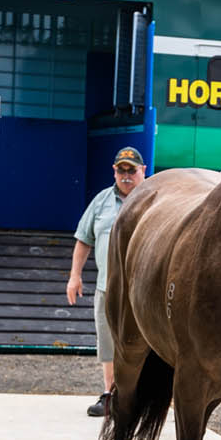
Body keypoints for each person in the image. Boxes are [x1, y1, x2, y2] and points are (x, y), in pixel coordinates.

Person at [68, 147, 147, 416]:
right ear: (114, 171)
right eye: (121, 170)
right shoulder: (101, 201)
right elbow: (84, 239)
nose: (126, 176)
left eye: (131, 170)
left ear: (142, 171)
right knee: (108, 341)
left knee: (149, 342)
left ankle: (142, 398)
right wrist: (74, 276)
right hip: (107, 286)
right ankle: (110, 395)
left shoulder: (155, 196)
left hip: (145, 288)